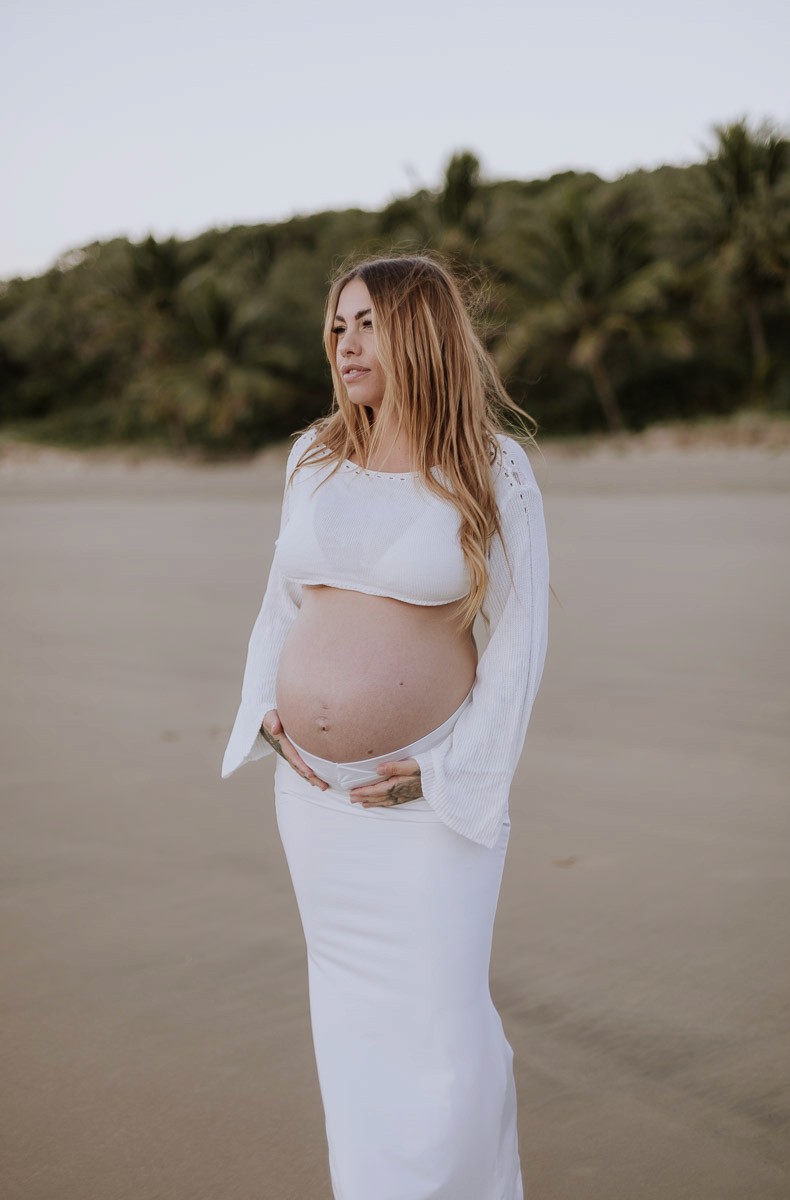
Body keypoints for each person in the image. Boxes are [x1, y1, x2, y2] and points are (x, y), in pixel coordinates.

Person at [221, 253, 550, 1199]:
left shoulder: (492, 466)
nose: (346, 343)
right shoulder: (313, 457)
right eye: (338, 325)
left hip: (426, 806)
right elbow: (283, 602)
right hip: (314, 804)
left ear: (422, 332)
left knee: (442, 1042)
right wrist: (269, 710)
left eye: (368, 322)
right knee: (352, 1034)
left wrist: (445, 776)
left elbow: (522, 636)